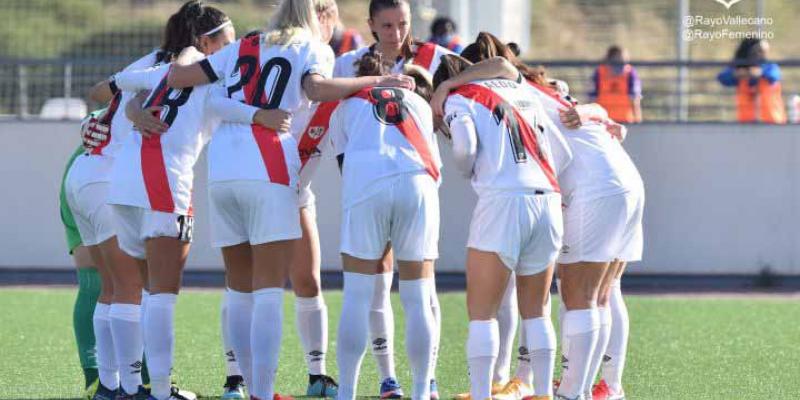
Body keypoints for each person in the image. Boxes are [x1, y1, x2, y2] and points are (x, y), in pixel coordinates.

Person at [166, 1, 414, 399]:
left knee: (241, 287)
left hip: (223, 171)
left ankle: (243, 384)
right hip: (269, 168)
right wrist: (377, 82)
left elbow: (179, 76)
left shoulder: (245, 44)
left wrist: (127, 94)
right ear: (319, 16)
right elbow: (316, 89)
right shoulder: (313, 48)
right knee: (266, 291)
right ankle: (261, 390)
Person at [432, 51, 571, 400]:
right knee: (536, 311)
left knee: (482, 313)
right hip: (548, 197)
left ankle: (482, 394)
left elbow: (464, 148)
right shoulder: (517, 86)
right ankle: (542, 393)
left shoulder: (458, 98)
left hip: (503, 201)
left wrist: (469, 168)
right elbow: (564, 153)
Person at [333, 2, 455, 396]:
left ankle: (350, 390)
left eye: (402, 24)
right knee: (419, 297)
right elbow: (435, 164)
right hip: (415, 182)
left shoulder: (349, 94)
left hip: (367, 181)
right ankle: (421, 389)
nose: (396, 32)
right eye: (387, 25)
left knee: (357, 295)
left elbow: (342, 151)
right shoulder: (418, 99)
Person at [59, 140, 102, 399]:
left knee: (97, 286)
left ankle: (98, 380)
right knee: (129, 286)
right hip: (97, 187)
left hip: (79, 180)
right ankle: (145, 379)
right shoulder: (132, 108)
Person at [717, 39, 786, 124]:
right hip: (746, 123)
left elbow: (774, 75)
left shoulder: (769, 67)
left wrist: (759, 72)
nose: (760, 54)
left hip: (772, 121)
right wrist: (739, 73)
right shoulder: (740, 71)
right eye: (757, 51)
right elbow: (722, 77)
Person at [590, 46, 642, 124]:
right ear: (609, 59)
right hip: (603, 122)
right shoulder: (599, 73)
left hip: (625, 122)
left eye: (624, 60)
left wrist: (638, 121)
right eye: (618, 60)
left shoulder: (630, 73)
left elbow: (635, 100)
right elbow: (591, 99)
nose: (622, 64)